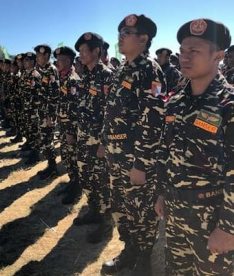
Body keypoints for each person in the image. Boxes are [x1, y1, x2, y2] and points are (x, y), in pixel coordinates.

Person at [155, 18, 234, 276]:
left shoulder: (228, 104)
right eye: (182, 52)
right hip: (176, 214)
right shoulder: (175, 102)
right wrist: (161, 193)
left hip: (213, 220)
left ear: (218, 56)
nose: (184, 58)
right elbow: (166, 153)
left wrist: (228, 228)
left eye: (194, 51)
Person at [101, 14, 166, 276]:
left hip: (136, 162)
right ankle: (130, 251)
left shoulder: (150, 71)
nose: (120, 37)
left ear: (143, 38)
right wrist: (107, 145)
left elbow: (153, 122)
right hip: (117, 158)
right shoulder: (122, 70)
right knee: (121, 209)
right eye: (119, 33)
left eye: (126, 33)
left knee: (142, 214)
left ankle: (144, 261)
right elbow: (112, 113)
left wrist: (141, 164)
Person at [71, 32, 115, 244]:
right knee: (87, 178)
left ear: (97, 51)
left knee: (103, 182)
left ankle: (107, 225)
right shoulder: (85, 76)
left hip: (98, 142)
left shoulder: (107, 76)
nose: (80, 55)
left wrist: (105, 142)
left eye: (84, 51)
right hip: (83, 138)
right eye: (79, 51)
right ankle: (94, 211)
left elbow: (112, 113)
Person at [52, 46, 81, 204]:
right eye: (56, 60)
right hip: (63, 126)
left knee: (73, 157)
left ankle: (77, 189)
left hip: (71, 129)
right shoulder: (62, 78)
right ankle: (71, 182)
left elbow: (74, 109)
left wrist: (70, 132)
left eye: (60, 60)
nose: (57, 63)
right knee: (66, 157)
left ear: (68, 61)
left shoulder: (73, 80)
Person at [34, 44, 61, 180]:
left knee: (48, 139)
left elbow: (55, 95)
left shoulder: (51, 70)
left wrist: (51, 115)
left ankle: (53, 168)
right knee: (44, 139)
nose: (37, 59)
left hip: (48, 114)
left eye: (39, 56)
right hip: (42, 111)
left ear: (46, 56)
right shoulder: (40, 69)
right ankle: (50, 165)